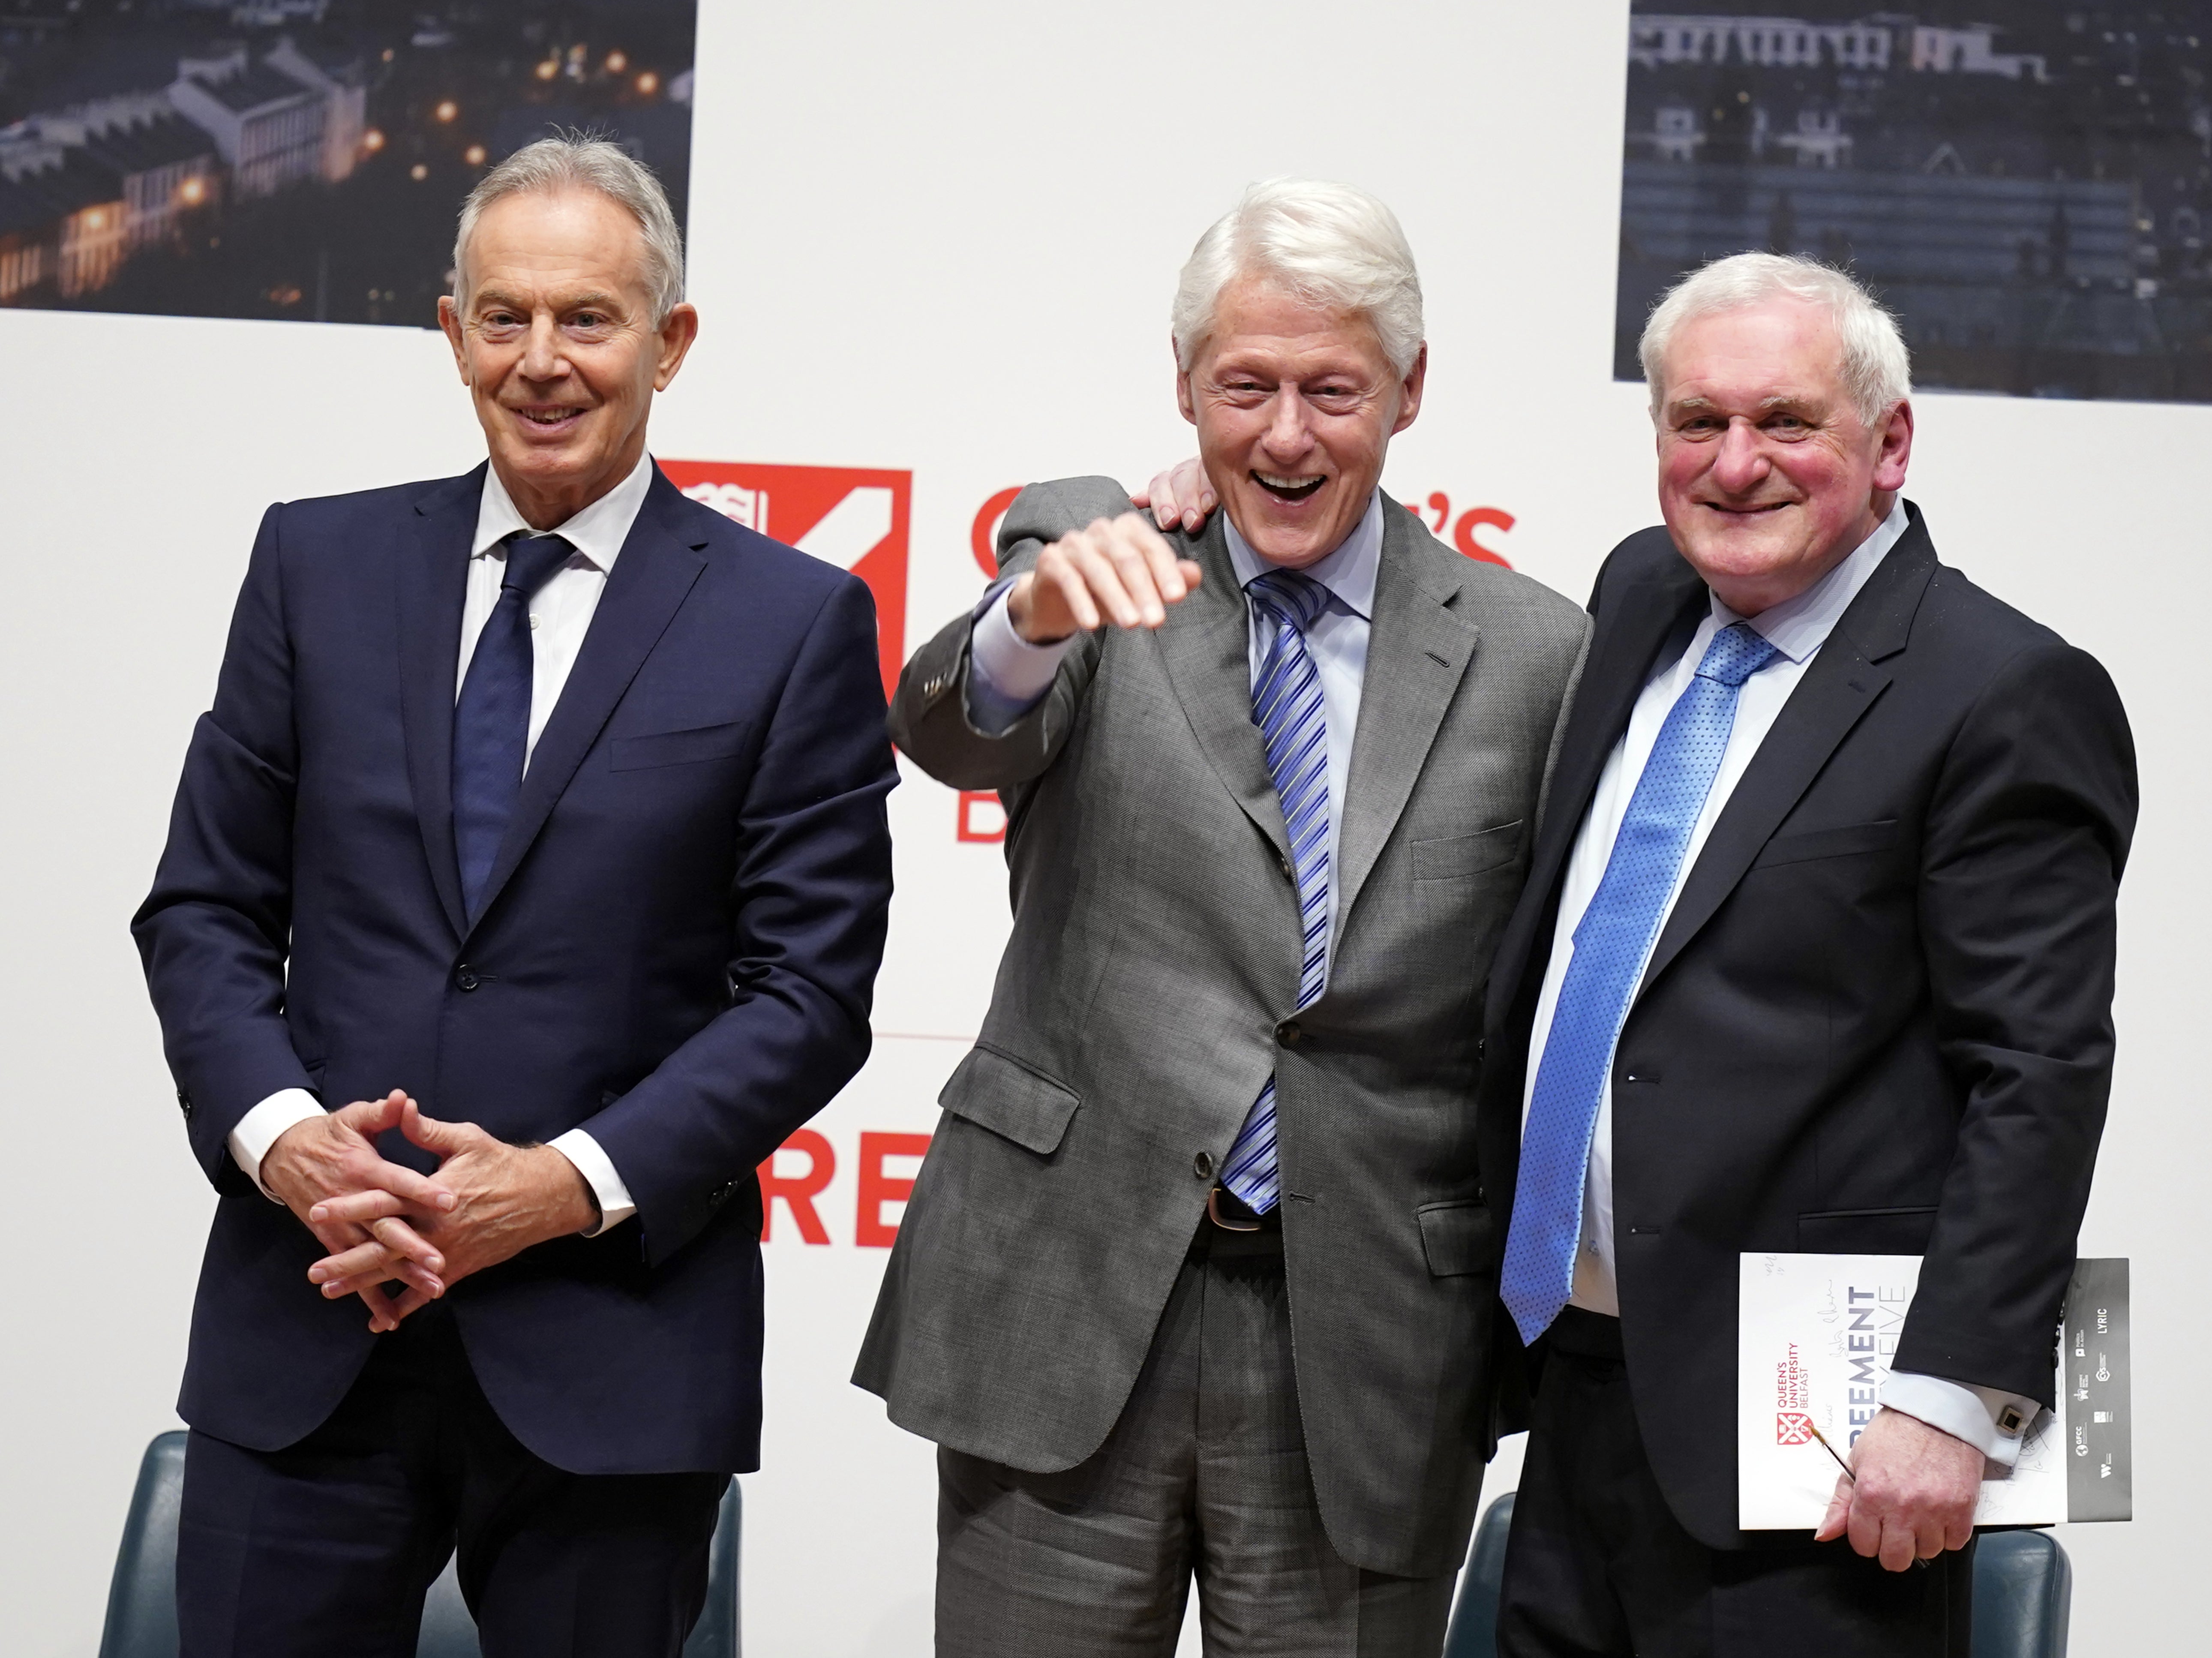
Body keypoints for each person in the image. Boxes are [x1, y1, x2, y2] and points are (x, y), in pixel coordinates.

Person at [1148, 251, 2134, 1654]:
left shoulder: (2003, 691)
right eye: (1695, 424)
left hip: (1825, 1446)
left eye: (1786, 422)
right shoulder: (1639, 596)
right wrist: (1219, 497)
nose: (1734, 466)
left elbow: (2036, 1073)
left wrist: (1951, 1394)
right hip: (1578, 1383)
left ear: (1889, 440)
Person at [132, 135, 897, 1658]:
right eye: (504, 316)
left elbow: (808, 993)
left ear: (669, 344)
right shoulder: (315, 562)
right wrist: (290, 1147)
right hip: (312, 1318)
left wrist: (562, 1183)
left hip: (608, 1357)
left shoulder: (791, 618)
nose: (541, 362)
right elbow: (205, 909)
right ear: (451, 330)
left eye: (589, 320)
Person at [854, 178, 1590, 1656]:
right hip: (1066, 1294)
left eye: (1333, 389)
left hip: (1367, 1336)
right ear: (1183, 382)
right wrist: (1030, 616)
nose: (1285, 435)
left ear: (1412, 391)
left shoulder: (1535, 649)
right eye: (1244, 386)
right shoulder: (1093, 556)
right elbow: (948, 728)